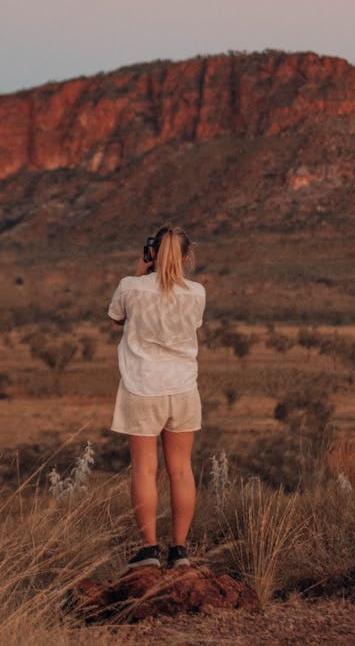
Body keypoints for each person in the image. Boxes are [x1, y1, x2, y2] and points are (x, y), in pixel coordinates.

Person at [108, 224, 205, 572]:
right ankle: (180, 551)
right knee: (180, 470)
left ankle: (149, 549)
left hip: (141, 388)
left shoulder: (130, 287)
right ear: (184, 257)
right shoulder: (197, 293)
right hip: (182, 389)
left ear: (151, 253)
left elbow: (117, 318)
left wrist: (139, 271)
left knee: (145, 471)